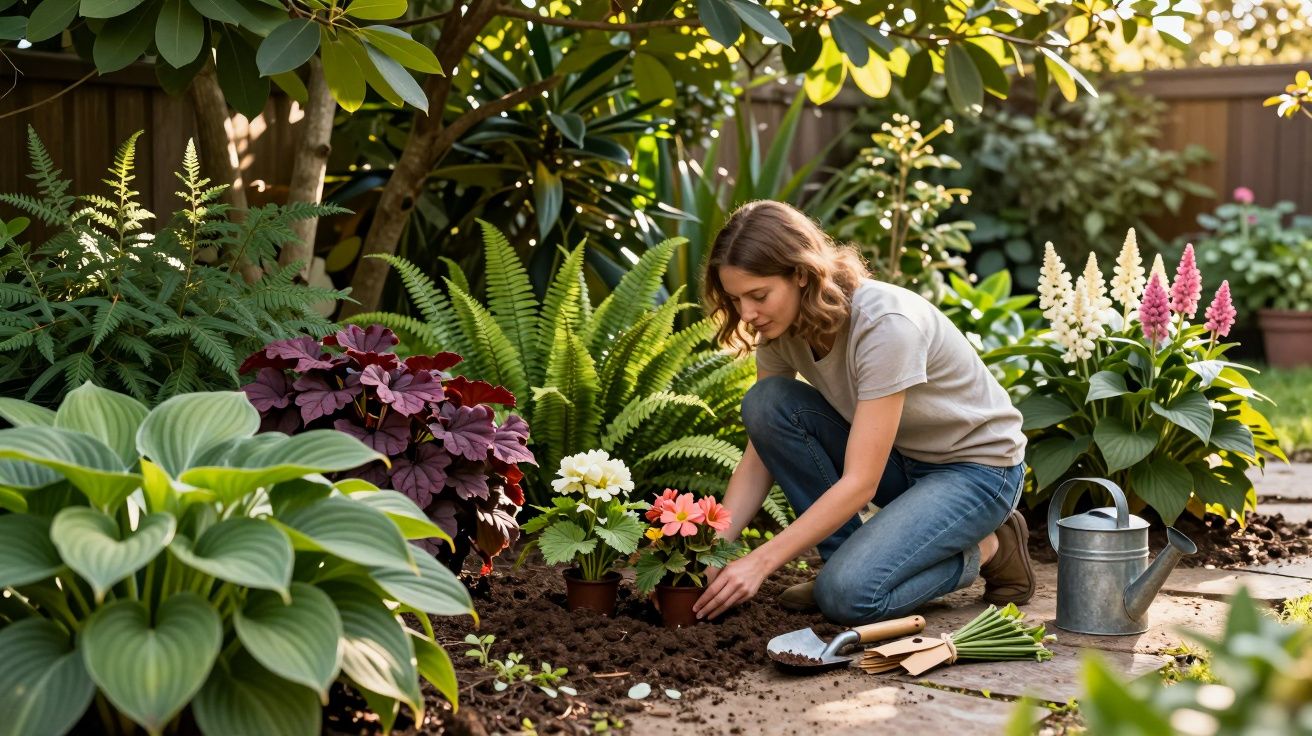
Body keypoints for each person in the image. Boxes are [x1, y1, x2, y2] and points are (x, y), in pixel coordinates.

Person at [691, 200, 1033, 625]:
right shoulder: (780, 327)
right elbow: (759, 452)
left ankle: (988, 548)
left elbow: (860, 483)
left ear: (801, 274)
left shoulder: (884, 324)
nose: (747, 314)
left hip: (975, 470)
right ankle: (846, 562)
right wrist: (708, 551)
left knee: (849, 599)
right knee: (766, 403)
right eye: (736, 299)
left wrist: (761, 562)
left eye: (758, 296)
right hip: (901, 459)